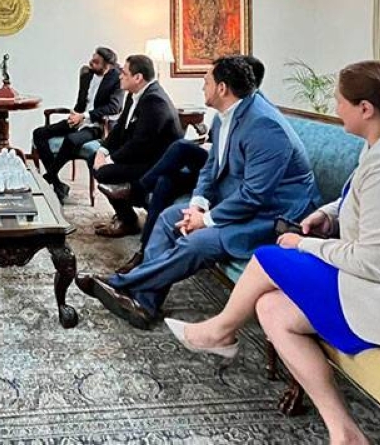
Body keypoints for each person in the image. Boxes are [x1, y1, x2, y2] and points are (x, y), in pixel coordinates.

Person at [166, 60, 380, 445]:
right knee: (271, 308)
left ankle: (219, 331)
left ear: (365, 109)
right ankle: (345, 432)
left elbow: (375, 263)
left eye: (339, 101)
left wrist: (306, 244)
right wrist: (329, 214)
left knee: (269, 258)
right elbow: (363, 194)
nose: (336, 108)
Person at [77, 56, 319, 329]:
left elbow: (255, 195)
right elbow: (211, 166)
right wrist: (199, 204)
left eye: (206, 82)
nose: (202, 87)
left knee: (196, 242)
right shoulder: (225, 115)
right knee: (168, 218)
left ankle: (120, 283)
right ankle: (144, 304)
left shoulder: (264, 126)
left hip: (272, 216)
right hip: (239, 201)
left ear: (222, 88)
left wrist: (205, 220)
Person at [116, 58, 267, 273]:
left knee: (181, 147)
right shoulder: (227, 112)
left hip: (228, 181)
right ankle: (144, 253)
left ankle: (139, 188)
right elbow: (214, 147)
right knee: (165, 181)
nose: (204, 86)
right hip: (213, 172)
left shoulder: (258, 119)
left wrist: (204, 215)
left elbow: (244, 175)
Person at [89, 54, 183, 238]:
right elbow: (119, 128)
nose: (120, 76)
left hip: (156, 164)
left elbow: (140, 144)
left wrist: (109, 160)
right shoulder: (134, 94)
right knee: (95, 161)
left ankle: (129, 219)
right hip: (141, 156)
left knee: (104, 172)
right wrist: (102, 151)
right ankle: (127, 217)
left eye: (124, 73)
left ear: (138, 77)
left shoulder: (155, 101)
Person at [32, 47, 124, 203]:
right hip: (78, 119)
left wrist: (85, 116)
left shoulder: (117, 79)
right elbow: (81, 103)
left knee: (72, 140)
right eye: (92, 58)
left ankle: (47, 178)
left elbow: (114, 107)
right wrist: (75, 114)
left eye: (96, 61)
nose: (91, 62)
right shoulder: (87, 75)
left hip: (97, 125)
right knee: (39, 133)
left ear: (107, 66)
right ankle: (57, 183)